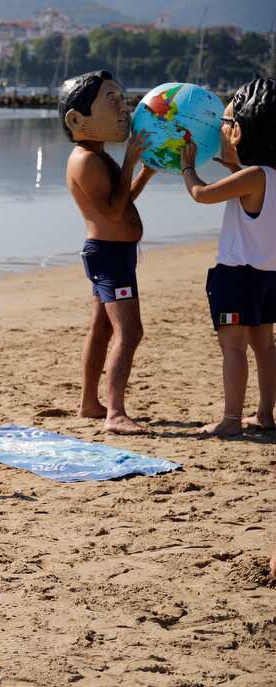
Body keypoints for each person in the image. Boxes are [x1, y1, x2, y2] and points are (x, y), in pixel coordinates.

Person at [178, 77, 276, 436]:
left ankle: (231, 420)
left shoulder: (253, 176)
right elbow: (258, 202)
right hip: (269, 275)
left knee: (232, 347)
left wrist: (188, 168)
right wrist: (234, 170)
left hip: (237, 275)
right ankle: (265, 414)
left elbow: (202, 194)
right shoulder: (265, 176)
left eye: (226, 122)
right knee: (265, 345)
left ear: (239, 132)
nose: (221, 127)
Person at [60, 70, 156, 434]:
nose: (124, 109)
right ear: (77, 120)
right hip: (110, 257)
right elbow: (113, 212)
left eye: (122, 99)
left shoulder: (97, 155)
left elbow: (122, 198)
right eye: (111, 101)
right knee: (130, 332)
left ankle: (89, 403)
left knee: (101, 329)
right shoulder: (84, 160)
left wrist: (143, 172)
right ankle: (115, 413)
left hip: (115, 254)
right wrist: (130, 160)